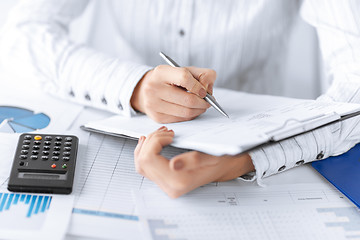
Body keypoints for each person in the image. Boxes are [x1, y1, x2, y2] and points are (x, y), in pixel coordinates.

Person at [1, 0, 360, 198]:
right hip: (124, 126)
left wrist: (246, 157)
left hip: (271, 144)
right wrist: (134, 85)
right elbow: (23, 34)